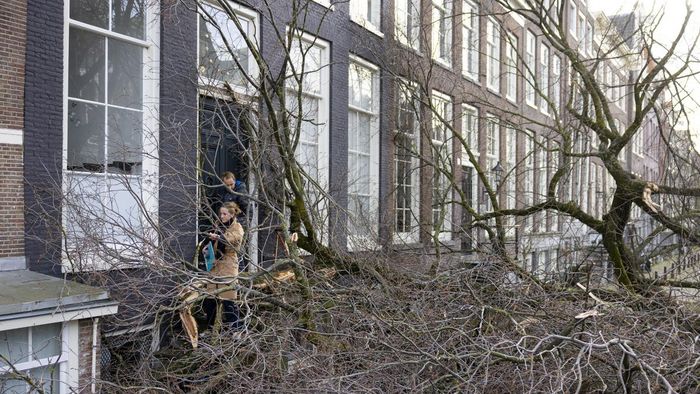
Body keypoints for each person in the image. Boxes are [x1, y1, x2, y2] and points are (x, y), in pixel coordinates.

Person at [202, 202, 245, 329]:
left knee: (228, 300)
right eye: (221, 213)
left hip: (228, 265)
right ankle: (211, 328)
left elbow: (232, 238)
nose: (222, 216)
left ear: (232, 214)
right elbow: (209, 240)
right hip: (214, 265)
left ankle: (236, 329)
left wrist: (219, 237)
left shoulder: (237, 227)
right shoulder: (218, 225)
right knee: (210, 300)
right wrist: (207, 245)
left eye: (225, 214)